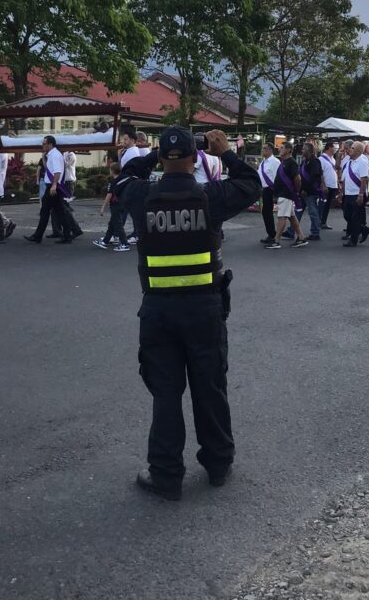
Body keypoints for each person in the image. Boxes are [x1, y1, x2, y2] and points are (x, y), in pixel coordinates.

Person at [119, 126, 261, 500]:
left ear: (163, 159)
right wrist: (226, 153)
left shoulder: (142, 195)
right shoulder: (210, 196)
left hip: (158, 312)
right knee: (210, 387)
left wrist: (149, 156)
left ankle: (165, 474)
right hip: (204, 309)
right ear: (197, 158)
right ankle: (217, 464)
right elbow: (251, 183)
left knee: (165, 393)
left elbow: (121, 179)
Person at [25, 136, 79, 244]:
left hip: (53, 187)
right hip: (53, 186)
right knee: (60, 212)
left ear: (50, 144)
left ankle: (38, 236)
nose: (42, 145)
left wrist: (54, 185)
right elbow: (48, 169)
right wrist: (44, 158)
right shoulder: (52, 155)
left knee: (45, 211)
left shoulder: (55, 155)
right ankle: (67, 236)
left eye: (44, 143)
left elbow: (57, 172)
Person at [264, 142, 308, 248]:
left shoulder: (291, 163)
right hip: (283, 193)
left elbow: (297, 178)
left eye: (282, 148)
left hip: (286, 193)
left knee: (282, 216)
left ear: (288, 150)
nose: (279, 150)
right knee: (292, 217)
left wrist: (295, 191)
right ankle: (301, 238)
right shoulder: (283, 162)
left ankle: (276, 240)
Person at [93, 163, 131, 251]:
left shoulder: (113, 182)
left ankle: (125, 244)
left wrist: (103, 207)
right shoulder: (124, 179)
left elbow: (109, 195)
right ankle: (105, 241)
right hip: (123, 204)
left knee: (118, 224)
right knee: (112, 224)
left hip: (115, 205)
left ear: (112, 171)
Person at [339, 141, 369, 247]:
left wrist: (361, 194)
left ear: (357, 151)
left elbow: (363, 179)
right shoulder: (349, 161)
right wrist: (342, 192)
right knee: (347, 215)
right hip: (348, 193)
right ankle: (363, 229)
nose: (349, 150)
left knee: (355, 217)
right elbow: (344, 178)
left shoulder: (362, 161)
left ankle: (353, 240)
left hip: (357, 194)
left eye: (352, 148)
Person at [297, 141, 324, 240]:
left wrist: (306, 190)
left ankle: (315, 232)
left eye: (304, 149)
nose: (302, 150)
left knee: (313, 212)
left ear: (308, 150)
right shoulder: (304, 162)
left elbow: (314, 178)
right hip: (303, 191)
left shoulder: (315, 162)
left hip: (310, 192)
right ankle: (291, 230)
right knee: (297, 211)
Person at [257, 142, 280, 244]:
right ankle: (271, 233)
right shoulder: (263, 162)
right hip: (264, 190)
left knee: (269, 212)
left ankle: (273, 235)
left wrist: (276, 193)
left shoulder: (275, 161)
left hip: (271, 190)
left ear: (270, 150)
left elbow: (278, 178)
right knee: (266, 212)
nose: (263, 151)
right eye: (262, 149)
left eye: (265, 149)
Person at [319, 140, 339, 229]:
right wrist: (323, 185)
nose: (335, 149)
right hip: (326, 186)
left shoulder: (333, 159)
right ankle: (319, 221)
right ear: (329, 148)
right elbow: (320, 173)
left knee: (327, 205)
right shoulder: (321, 159)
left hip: (333, 185)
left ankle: (324, 222)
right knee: (322, 204)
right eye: (334, 148)